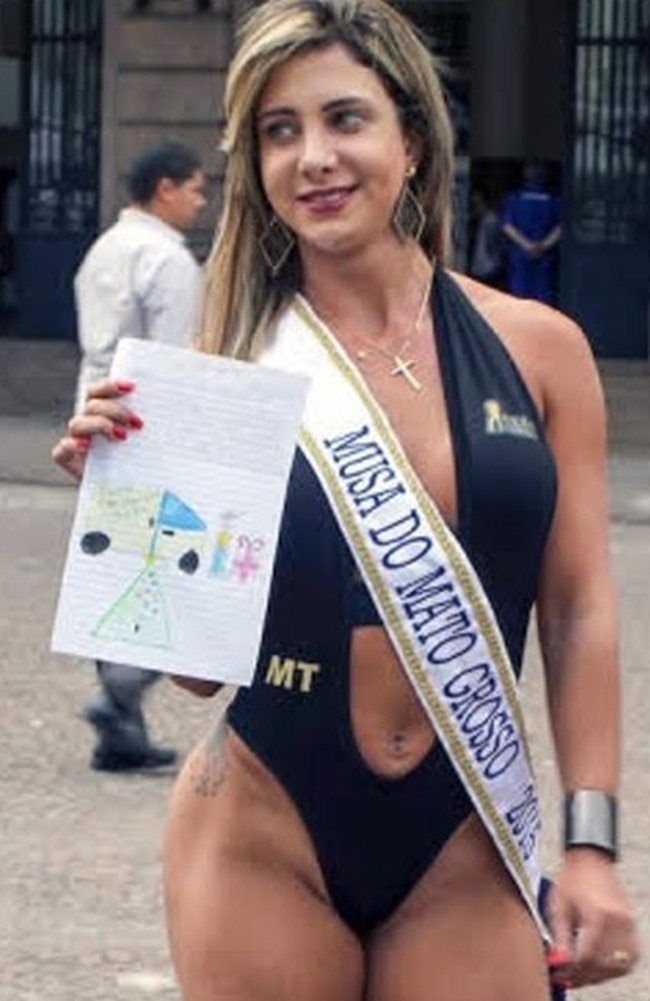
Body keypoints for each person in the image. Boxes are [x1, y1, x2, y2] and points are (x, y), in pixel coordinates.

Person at [53, 1, 639, 998]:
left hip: (459, 846)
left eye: (343, 120)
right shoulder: (219, 374)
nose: (313, 156)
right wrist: (125, 513)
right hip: (262, 831)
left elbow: (578, 607)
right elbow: (192, 676)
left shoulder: (539, 352)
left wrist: (589, 842)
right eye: (280, 132)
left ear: (409, 141)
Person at [72, 139, 207, 772]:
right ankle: (120, 695)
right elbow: (177, 358)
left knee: (120, 570)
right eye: (197, 189)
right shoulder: (168, 259)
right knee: (169, 572)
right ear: (166, 190)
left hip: (96, 413)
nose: (201, 202)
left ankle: (119, 722)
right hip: (148, 424)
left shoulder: (105, 248)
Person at [500, 162, 562, 305]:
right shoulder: (553, 199)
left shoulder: (515, 198)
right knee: (543, 299)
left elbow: (507, 226)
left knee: (519, 299)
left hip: (520, 255)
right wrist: (543, 246)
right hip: (544, 257)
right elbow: (562, 227)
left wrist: (527, 246)